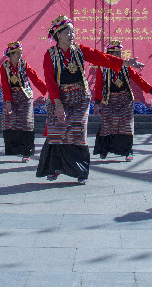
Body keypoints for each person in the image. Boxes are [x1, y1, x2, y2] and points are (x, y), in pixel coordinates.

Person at [38, 16, 144, 185]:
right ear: (58, 35)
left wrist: (126, 62)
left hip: (80, 98)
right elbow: (50, 81)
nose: (72, 35)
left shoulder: (79, 50)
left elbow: (101, 58)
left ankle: (81, 171)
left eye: (73, 31)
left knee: (78, 132)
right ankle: (56, 168)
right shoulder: (49, 55)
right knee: (58, 132)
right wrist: (58, 105)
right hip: (60, 98)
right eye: (68, 32)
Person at [93, 39, 152, 162]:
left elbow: (138, 80)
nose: (118, 56)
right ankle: (104, 150)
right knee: (107, 125)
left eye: (119, 53)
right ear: (109, 54)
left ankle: (128, 152)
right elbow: (98, 86)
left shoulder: (126, 67)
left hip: (125, 100)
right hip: (109, 100)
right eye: (115, 54)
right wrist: (97, 104)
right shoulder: (102, 67)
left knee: (126, 126)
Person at [0, 41, 46, 161]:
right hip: (11, 96)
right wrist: (8, 102)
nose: (20, 55)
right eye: (18, 53)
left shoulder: (24, 65)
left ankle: (27, 152)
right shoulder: (4, 67)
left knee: (26, 122)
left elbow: (35, 78)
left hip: (25, 96)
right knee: (10, 122)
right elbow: (5, 85)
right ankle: (14, 150)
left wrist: (47, 90)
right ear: (11, 54)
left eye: (21, 53)